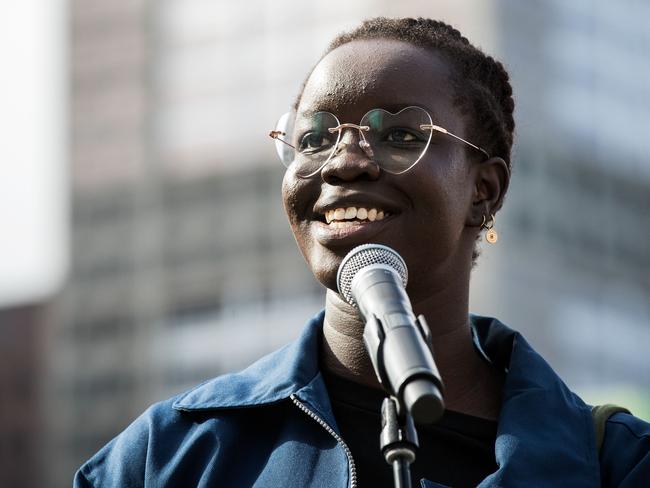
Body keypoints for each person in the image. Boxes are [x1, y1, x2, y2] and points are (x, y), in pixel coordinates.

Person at [74, 17, 649, 487]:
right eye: (314, 137)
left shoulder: (616, 465)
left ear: (484, 189)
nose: (344, 161)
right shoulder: (166, 457)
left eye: (399, 134)